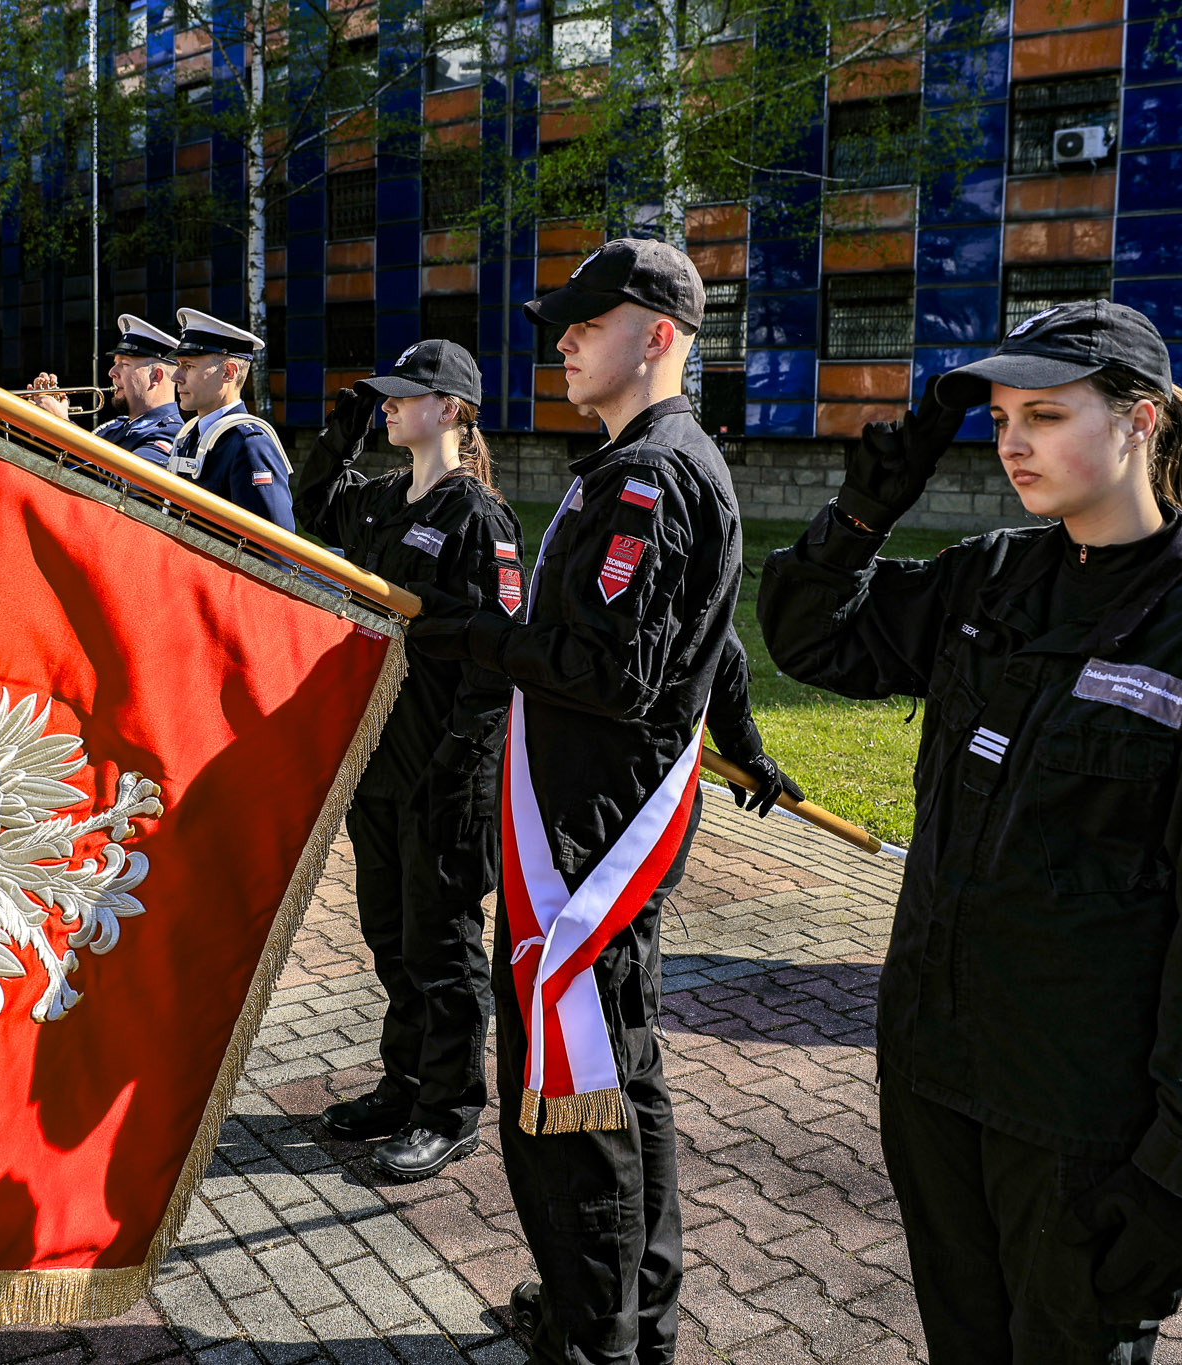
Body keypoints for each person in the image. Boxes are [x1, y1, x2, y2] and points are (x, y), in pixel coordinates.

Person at [756, 300, 1182, 1363]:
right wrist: (863, 515)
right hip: (934, 1074)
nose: (1013, 441)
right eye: (1003, 415)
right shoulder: (993, 575)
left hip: (1078, 1123)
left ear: (1140, 422)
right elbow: (811, 641)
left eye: (1047, 415)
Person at [405, 239, 801, 1365]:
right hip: (586, 813)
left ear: (660, 335)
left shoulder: (650, 473)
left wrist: (465, 631)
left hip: (590, 827)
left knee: (576, 1087)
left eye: (587, 321)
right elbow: (709, 636)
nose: (564, 340)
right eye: (562, 325)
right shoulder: (639, 460)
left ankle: (600, 1336)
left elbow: (608, 671)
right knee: (613, 1079)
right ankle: (621, 1312)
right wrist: (745, 743)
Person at [296, 340, 526, 1180]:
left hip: (444, 773)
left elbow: (496, 660)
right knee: (390, 935)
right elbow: (310, 502)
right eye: (383, 397)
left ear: (452, 411)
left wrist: (460, 775)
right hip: (379, 763)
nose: (389, 405)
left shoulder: (480, 518)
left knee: (443, 945)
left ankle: (450, 1107)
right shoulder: (383, 499)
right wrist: (342, 431)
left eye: (402, 396)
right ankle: (403, 1082)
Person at [165, 308, 295, 530]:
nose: (176, 377)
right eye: (178, 366)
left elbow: (273, 552)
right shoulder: (190, 436)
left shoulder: (249, 444)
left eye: (188, 366)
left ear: (228, 373)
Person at [24, 314, 186, 466]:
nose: (112, 373)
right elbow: (62, 468)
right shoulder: (115, 427)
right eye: (115, 363)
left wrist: (61, 426)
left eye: (124, 364)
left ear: (156, 377)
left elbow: (112, 484)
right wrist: (40, 428)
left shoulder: (170, 435)